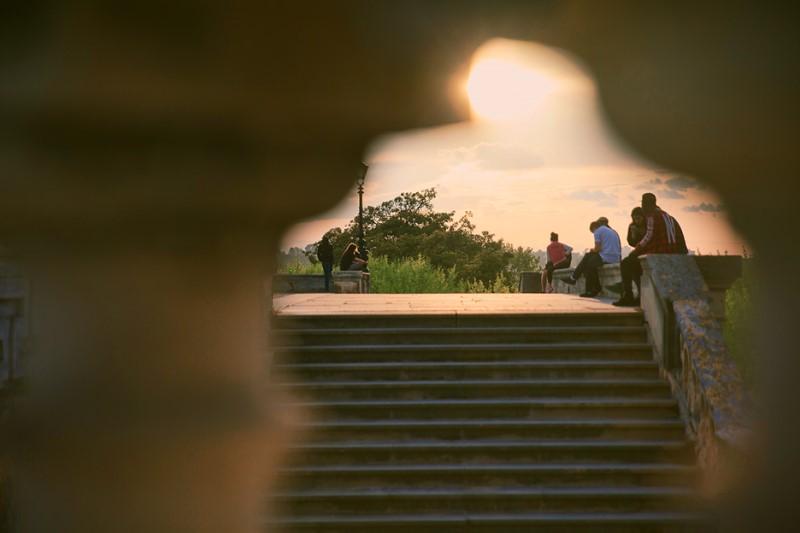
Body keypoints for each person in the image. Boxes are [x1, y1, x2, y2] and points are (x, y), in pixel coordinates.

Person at [613, 193, 687, 306]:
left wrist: (636, 250)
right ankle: (640, 295)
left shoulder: (651, 215)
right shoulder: (667, 215)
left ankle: (628, 296)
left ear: (645, 204)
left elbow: (649, 235)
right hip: (671, 253)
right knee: (635, 265)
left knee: (626, 264)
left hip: (658, 253)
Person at [564, 218, 621, 297]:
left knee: (589, 262)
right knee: (589, 260)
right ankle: (586, 287)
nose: (593, 233)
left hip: (606, 256)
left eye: (592, 232)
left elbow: (598, 249)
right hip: (615, 257)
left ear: (593, 228)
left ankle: (578, 280)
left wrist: (593, 250)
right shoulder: (613, 231)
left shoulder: (597, 231)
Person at [612, 207, 647, 306]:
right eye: (635, 219)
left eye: (638, 218)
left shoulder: (647, 225)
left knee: (629, 265)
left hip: (647, 252)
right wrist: (634, 235)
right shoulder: (632, 226)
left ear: (643, 218)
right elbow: (632, 243)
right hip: (638, 252)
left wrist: (640, 233)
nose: (637, 221)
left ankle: (632, 296)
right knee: (626, 264)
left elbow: (648, 240)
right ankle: (628, 295)